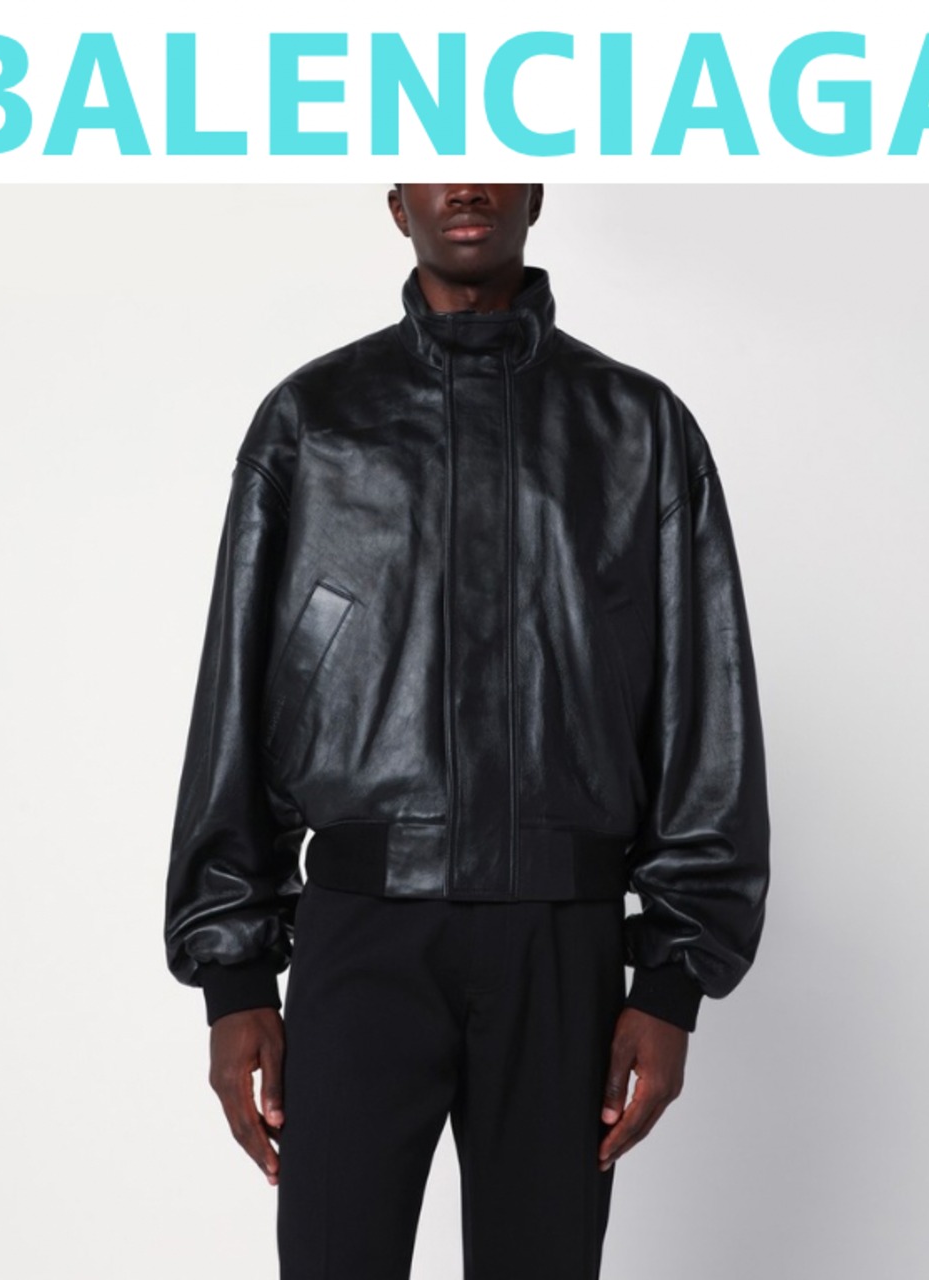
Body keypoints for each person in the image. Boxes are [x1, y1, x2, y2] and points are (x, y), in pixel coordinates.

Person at [164, 183, 771, 1279]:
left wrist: (672, 980)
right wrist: (234, 977)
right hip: (361, 935)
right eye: (438, 159)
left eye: (496, 156)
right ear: (396, 201)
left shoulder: (638, 427)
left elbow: (704, 705)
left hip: (561, 942)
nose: (469, 185)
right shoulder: (311, 421)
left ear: (537, 190)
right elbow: (236, 696)